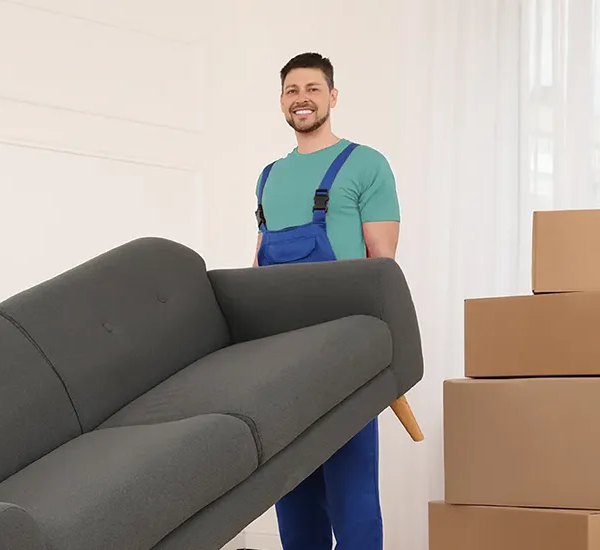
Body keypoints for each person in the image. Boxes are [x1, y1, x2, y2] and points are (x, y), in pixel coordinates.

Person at [252, 52, 400, 550]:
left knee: (353, 497)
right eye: (292, 91)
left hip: (345, 355)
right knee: (291, 492)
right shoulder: (268, 176)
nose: (302, 100)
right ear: (281, 101)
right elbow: (258, 270)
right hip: (281, 358)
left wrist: (384, 352)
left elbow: (382, 265)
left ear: (332, 97)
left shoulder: (367, 164)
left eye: (313, 89)